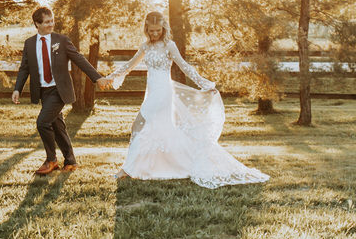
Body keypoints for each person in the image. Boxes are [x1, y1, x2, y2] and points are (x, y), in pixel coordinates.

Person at [104, 11, 269, 188]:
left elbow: (185, 66)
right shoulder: (145, 47)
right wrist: (111, 77)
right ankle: (163, 165)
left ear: (163, 28)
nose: (154, 34)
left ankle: (127, 169)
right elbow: (129, 65)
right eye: (151, 31)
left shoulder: (169, 46)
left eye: (157, 30)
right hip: (151, 92)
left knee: (138, 125)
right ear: (146, 29)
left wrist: (204, 84)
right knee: (158, 130)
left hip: (163, 93)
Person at [12, 6, 109, 174]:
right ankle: (71, 161)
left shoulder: (61, 40)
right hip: (43, 91)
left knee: (42, 122)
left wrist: (97, 77)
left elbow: (79, 59)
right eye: (47, 22)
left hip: (58, 90)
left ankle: (51, 160)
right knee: (57, 126)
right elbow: (24, 68)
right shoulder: (29, 44)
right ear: (37, 23)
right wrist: (17, 89)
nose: (51, 24)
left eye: (52, 20)